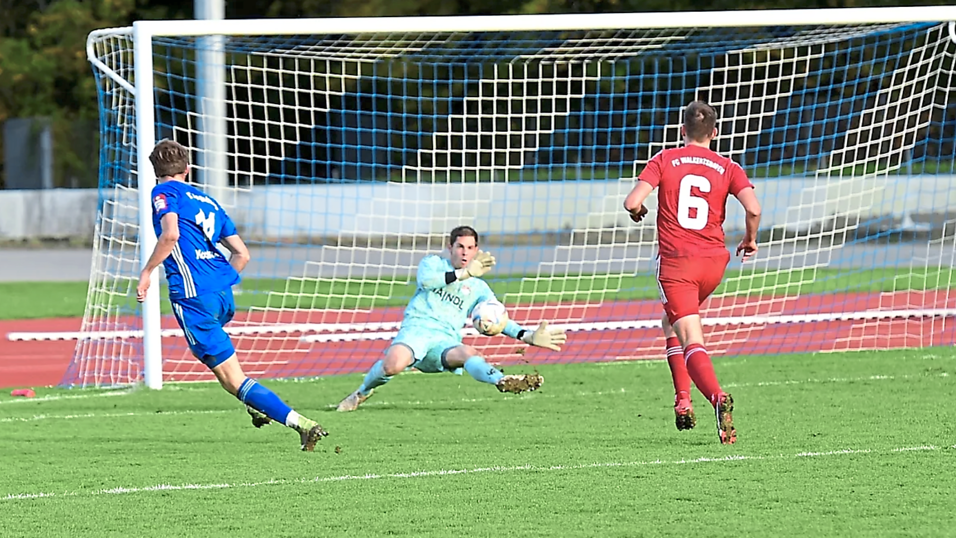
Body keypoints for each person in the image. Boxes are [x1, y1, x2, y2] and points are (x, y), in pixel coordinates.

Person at [136, 139, 328, 451]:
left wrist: (147, 272)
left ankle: (301, 424)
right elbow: (241, 253)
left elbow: (170, 233)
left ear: (156, 170)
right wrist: (221, 280)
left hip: (192, 295)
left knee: (231, 378)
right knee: (221, 365)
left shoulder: (163, 192)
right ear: (188, 168)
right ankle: (255, 403)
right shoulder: (207, 200)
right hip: (222, 295)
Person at [623, 101, 761, 444]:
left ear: (682, 130)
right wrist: (749, 239)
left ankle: (715, 397)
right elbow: (754, 209)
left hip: (677, 264)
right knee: (670, 321)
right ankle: (682, 399)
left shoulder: (665, 159)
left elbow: (631, 202)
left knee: (690, 337)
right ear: (715, 133)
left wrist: (639, 209)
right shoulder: (728, 166)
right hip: (714, 262)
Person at [336, 225, 567, 412]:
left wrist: (526, 336)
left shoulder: (479, 288)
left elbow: (497, 317)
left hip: (445, 342)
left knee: (469, 354)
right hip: (416, 331)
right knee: (392, 365)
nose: (465, 252)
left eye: (470, 247)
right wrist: (463, 274)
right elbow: (427, 282)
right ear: (450, 247)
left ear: (476, 250)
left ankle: (502, 381)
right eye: (460, 246)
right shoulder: (433, 264)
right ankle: (362, 393)